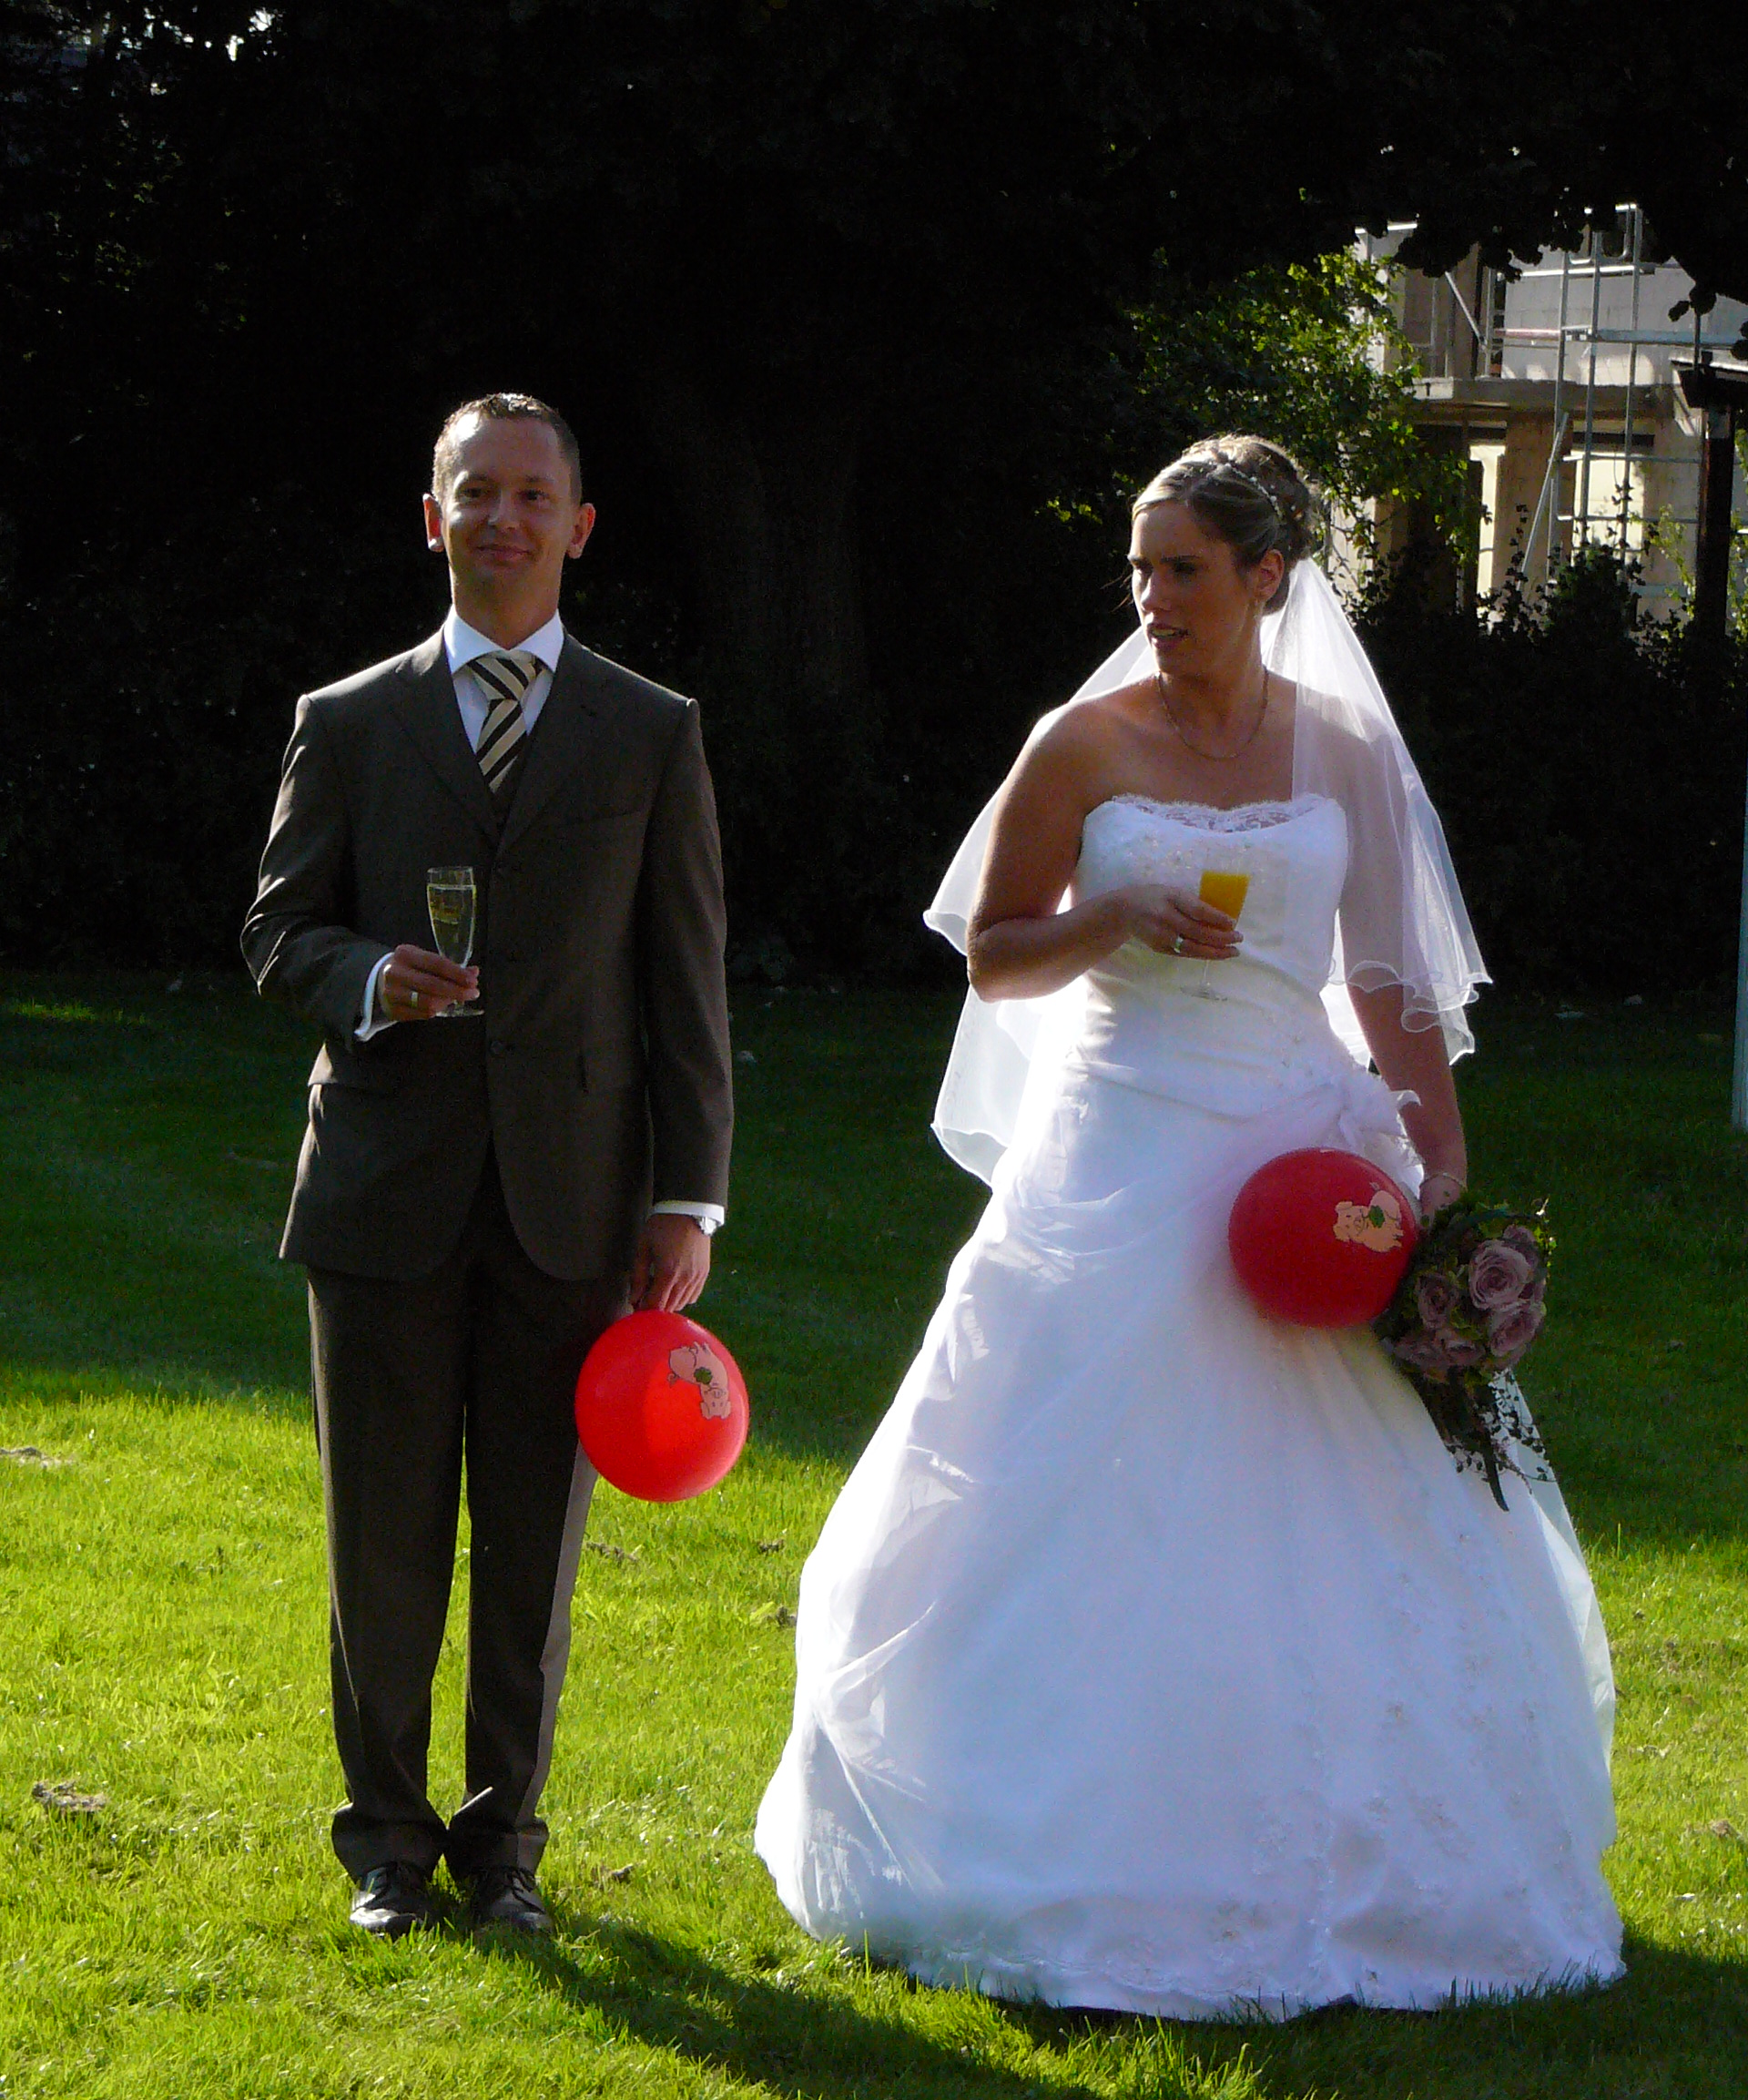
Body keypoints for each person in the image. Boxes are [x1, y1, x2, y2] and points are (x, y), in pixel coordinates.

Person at [756, 436, 1621, 2016]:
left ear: (1265, 578)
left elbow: (1389, 989)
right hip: (1116, 1144)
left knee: (1338, 1505)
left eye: (1185, 570)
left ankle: (1355, 1855)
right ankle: (1039, 1844)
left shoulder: (1343, 750)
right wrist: (1103, 919)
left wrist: (1441, 1178)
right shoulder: (1081, 743)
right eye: (1140, 571)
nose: (1154, 597)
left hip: (1297, 1155)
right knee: (1058, 1480)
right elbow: (993, 955)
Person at [242, 392, 732, 1939]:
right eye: (476, 492)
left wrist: (686, 1198)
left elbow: (685, 983)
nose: (502, 519)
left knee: (535, 1547)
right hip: (383, 1186)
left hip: (574, 1201)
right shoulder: (349, 720)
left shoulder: (649, 730)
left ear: (578, 527)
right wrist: (369, 978)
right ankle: (387, 1843)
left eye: (532, 496)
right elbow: (276, 930)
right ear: (432, 516)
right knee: (380, 1537)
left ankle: (504, 1842)